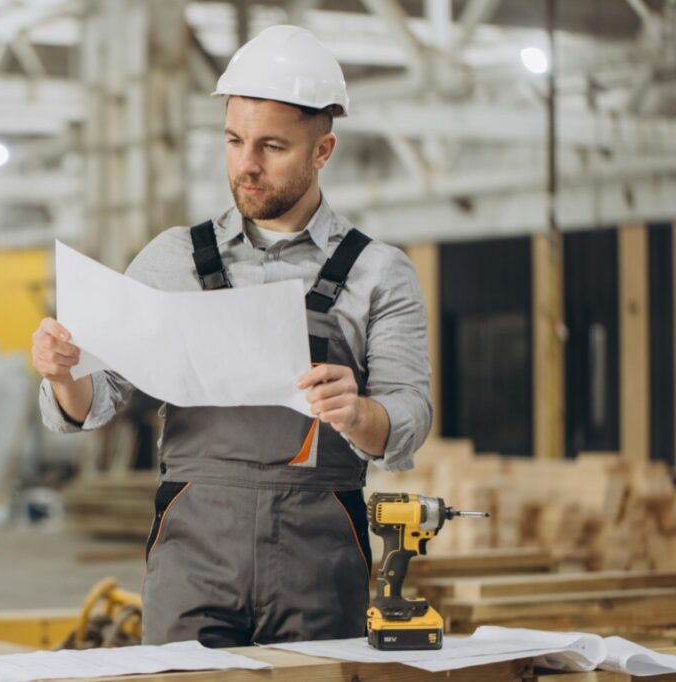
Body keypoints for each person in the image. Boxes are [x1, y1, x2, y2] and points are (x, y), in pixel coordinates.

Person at [32, 25, 431, 646]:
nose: (246, 165)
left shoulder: (379, 271)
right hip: (195, 558)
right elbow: (100, 397)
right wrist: (64, 374)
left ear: (323, 151)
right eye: (234, 140)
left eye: (272, 147)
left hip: (319, 561)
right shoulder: (172, 261)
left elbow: (410, 415)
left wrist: (359, 414)